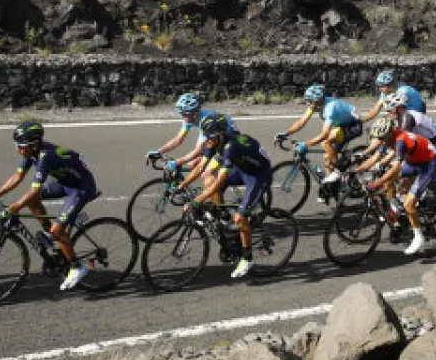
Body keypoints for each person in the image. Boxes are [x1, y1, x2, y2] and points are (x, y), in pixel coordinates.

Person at [0, 120, 98, 291]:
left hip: (81, 187)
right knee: (32, 202)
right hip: (65, 182)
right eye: (16, 145)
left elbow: (33, 191)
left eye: (21, 145)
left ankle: (77, 267)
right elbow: (18, 176)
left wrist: (11, 209)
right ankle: (50, 232)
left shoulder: (45, 156)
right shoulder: (31, 153)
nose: (18, 149)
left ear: (34, 144)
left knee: (56, 229)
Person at [190, 114, 273, 278]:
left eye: (210, 138)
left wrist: (197, 201)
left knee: (240, 218)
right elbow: (201, 170)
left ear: (220, 135)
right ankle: (223, 218)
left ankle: (247, 258)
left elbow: (220, 182)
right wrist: (180, 187)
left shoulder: (231, 147)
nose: (207, 141)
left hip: (258, 176)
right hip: (242, 170)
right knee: (209, 181)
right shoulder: (214, 141)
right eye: (205, 137)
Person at [355, 119, 435, 255]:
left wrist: (375, 184)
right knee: (389, 182)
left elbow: (395, 168)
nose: (381, 140)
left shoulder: (400, 141)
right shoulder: (387, 138)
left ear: (391, 133)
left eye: (382, 137)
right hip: (414, 161)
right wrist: (354, 171)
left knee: (409, 204)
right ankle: (397, 206)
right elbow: (374, 158)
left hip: (429, 164)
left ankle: (418, 237)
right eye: (379, 138)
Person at [277, 85, 361, 184]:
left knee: (325, 142)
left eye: (309, 101)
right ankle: (331, 187)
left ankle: (339, 171)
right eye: (306, 100)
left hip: (352, 125)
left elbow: (324, 134)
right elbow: (301, 122)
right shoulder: (314, 105)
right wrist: (286, 133)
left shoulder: (330, 108)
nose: (307, 103)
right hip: (339, 125)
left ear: (317, 101)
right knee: (327, 159)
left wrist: (306, 144)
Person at [147, 92, 205, 166]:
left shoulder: (207, 122)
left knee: (198, 166)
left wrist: (176, 163)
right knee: (192, 163)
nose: (183, 117)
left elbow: (200, 150)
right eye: (182, 114)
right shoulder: (188, 119)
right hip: (213, 140)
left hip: (222, 144)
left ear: (195, 112)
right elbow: (178, 140)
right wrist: (158, 152)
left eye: (186, 114)